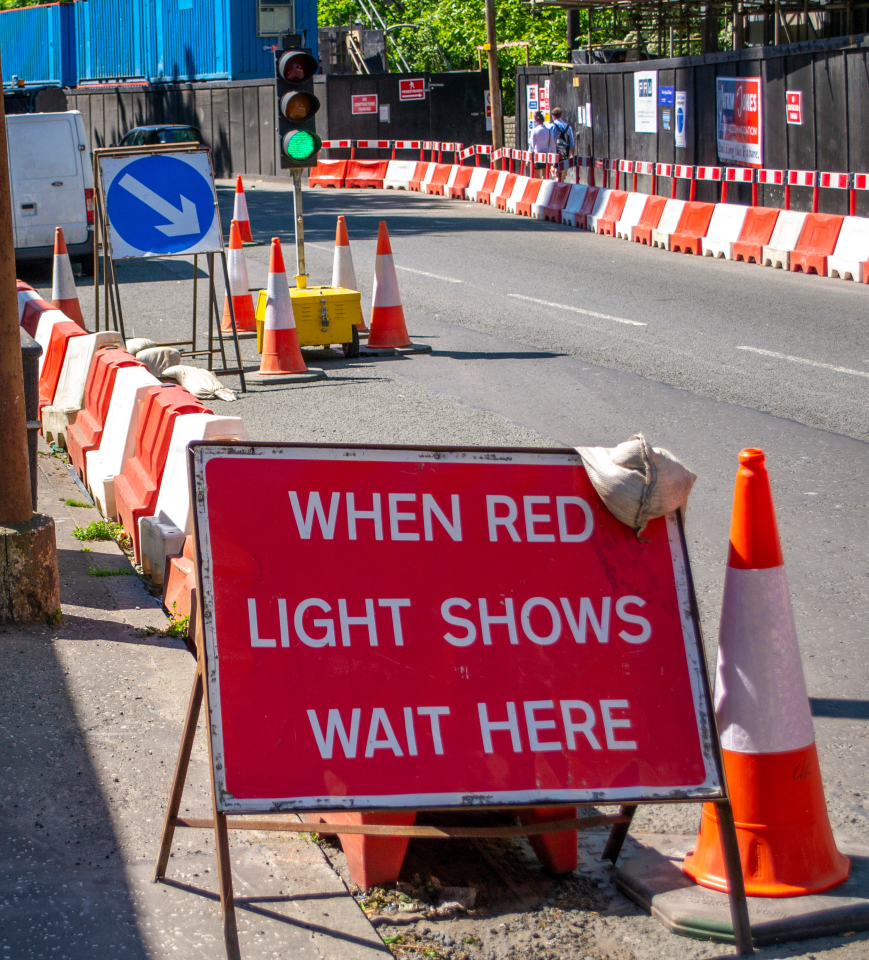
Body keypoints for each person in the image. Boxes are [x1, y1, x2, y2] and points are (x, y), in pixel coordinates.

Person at [530, 111, 556, 177]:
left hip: (537, 156)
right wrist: (554, 158)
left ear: (536, 120)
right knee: (545, 176)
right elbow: (552, 145)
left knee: (536, 177)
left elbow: (531, 146)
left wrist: (528, 158)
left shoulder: (534, 131)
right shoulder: (549, 131)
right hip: (546, 157)